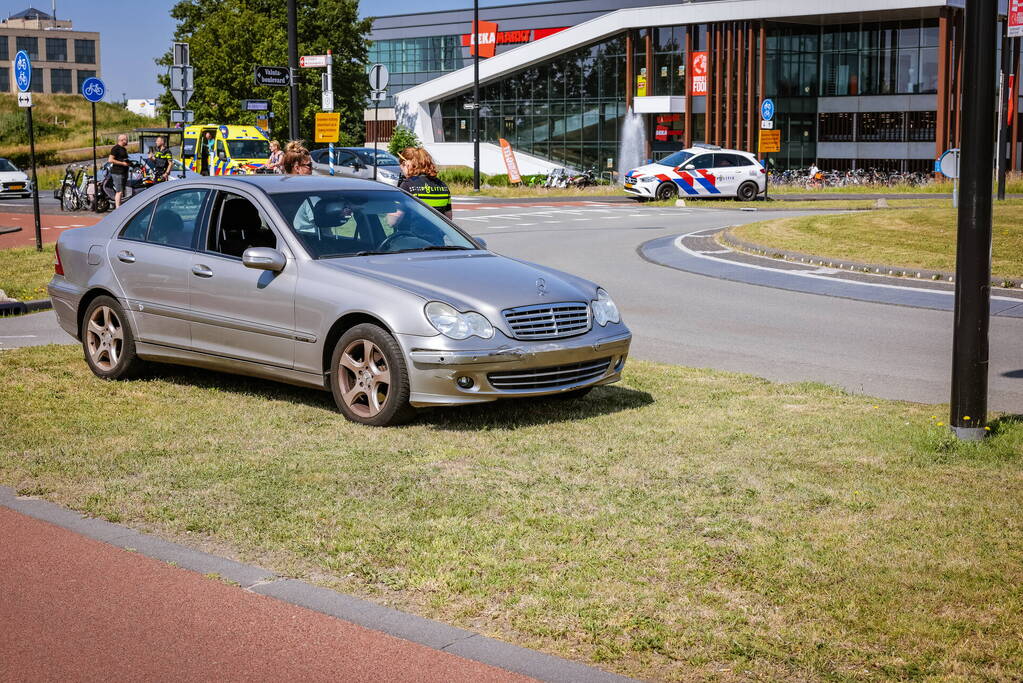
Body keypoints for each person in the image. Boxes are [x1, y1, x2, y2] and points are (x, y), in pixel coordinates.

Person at [396, 147, 451, 218]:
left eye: (401, 166)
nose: (401, 170)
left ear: (406, 164)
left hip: (414, 225)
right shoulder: (443, 186)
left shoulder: (408, 185)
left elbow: (396, 216)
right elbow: (449, 217)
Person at [107, 134, 131, 209]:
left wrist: (129, 163)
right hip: (117, 172)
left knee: (122, 191)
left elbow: (123, 159)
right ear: (122, 140)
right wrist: (122, 163)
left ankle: (121, 206)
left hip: (124, 172)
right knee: (119, 191)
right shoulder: (115, 148)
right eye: (126, 139)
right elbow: (110, 160)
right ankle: (118, 208)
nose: (127, 141)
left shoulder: (123, 149)